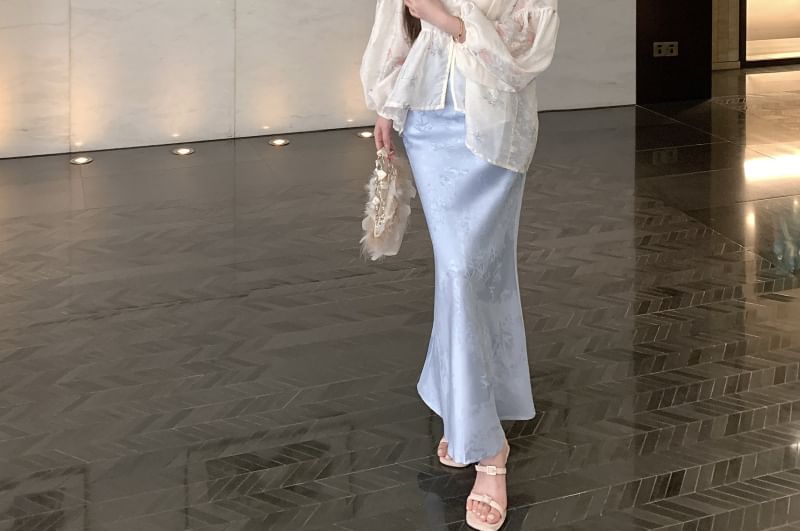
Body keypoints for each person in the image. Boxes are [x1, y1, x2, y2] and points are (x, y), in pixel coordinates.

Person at [360, 1, 559, 529]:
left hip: (494, 128)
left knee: (470, 274)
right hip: (428, 121)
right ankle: (477, 426)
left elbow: (530, 47)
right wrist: (387, 104)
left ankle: (482, 438)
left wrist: (446, 19)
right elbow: (397, 25)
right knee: (458, 274)